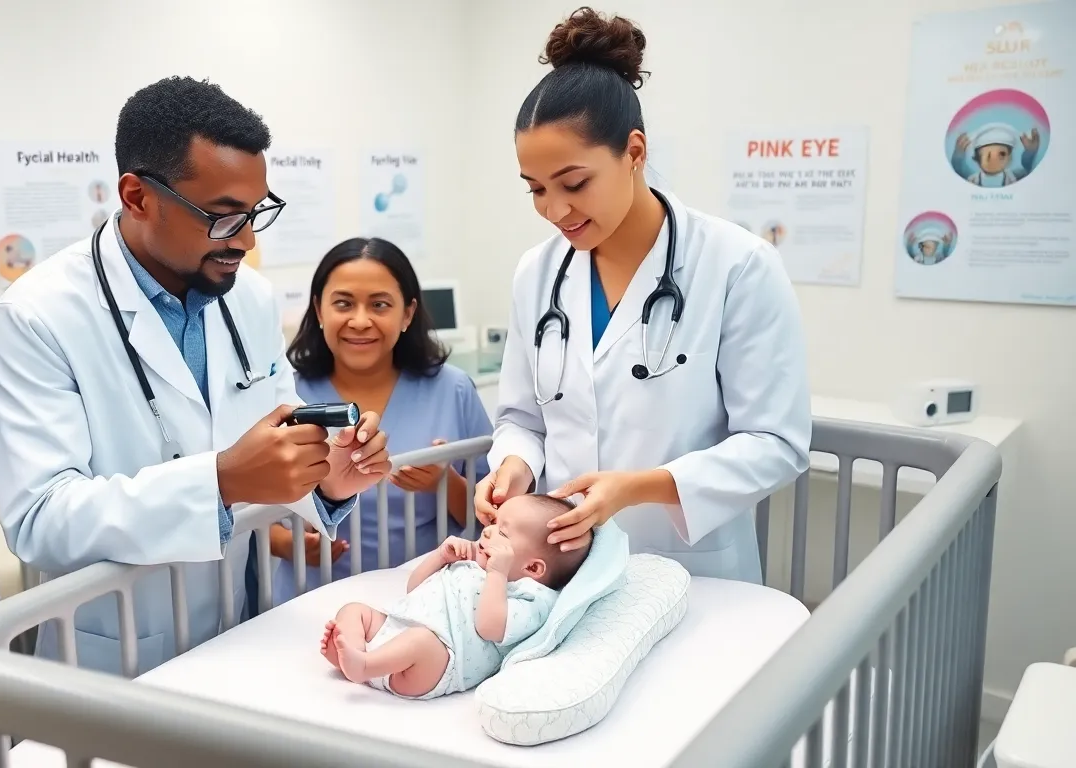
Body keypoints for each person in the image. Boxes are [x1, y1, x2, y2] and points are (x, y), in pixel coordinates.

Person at [0, 75, 390, 676]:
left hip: (239, 628)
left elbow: (280, 434)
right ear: (138, 196)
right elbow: (40, 518)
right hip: (115, 654)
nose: (245, 240)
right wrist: (219, 482)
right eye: (223, 217)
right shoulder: (36, 317)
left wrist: (328, 475)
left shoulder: (249, 297)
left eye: (255, 212)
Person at [476, 8, 811, 584]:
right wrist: (514, 464)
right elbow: (523, 419)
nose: (554, 210)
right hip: (564, 573)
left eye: (574, 183)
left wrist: (639, 487)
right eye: (536, 189)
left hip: (692, 572)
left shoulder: (737, 265)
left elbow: (776, 443)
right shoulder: (538, 274)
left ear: (634, 152)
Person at [270, 238, 493, 604]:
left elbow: (496, 515)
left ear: (407, 313)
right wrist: (287, 544)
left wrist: (445, 483)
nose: (360, 321)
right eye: (343, 303)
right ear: (319, 309)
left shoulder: (453, 389)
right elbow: (244, 509)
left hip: (427, 602)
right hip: (313, 605)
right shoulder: (285, 397)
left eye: (379, 305)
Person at [324, 494, 583, 699]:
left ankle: (366, 666)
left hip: (437, 664)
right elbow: (413, 589)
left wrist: (497, 574)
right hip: (397, 630)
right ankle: (354, 654)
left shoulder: (532, 598)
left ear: (533, 568)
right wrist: (440, 557)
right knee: (354, 610)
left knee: (421, 640)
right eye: (493, 523)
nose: (487, 531)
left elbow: (489, 627)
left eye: (503, 533)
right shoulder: (472, 563)